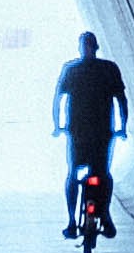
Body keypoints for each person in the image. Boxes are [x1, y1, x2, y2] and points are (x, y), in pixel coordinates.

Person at [53, 25, 128, 238]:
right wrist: (123, 127)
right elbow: (121, 100)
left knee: (74, 175)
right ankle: (103, 215)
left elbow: (58, 99)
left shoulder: (71, 68)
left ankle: (72, 221)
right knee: (103, 175)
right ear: (96, 47)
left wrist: (57, 126)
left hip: (78, 133)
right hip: (102, 134)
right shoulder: (109, 69)